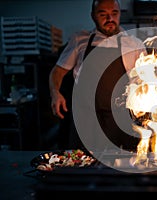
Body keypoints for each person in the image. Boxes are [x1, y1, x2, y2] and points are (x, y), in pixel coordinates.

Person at [49, 0, 146, 150]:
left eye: (114, 13)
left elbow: (144, 81)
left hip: (120, 119)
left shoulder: (134, 44)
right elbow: (57, 72)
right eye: (103, 14)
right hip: (86, 117)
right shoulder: (79, 40)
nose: (110, 19)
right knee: (82, 164)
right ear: (93, 16)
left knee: (121, 164)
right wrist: (55, 93)